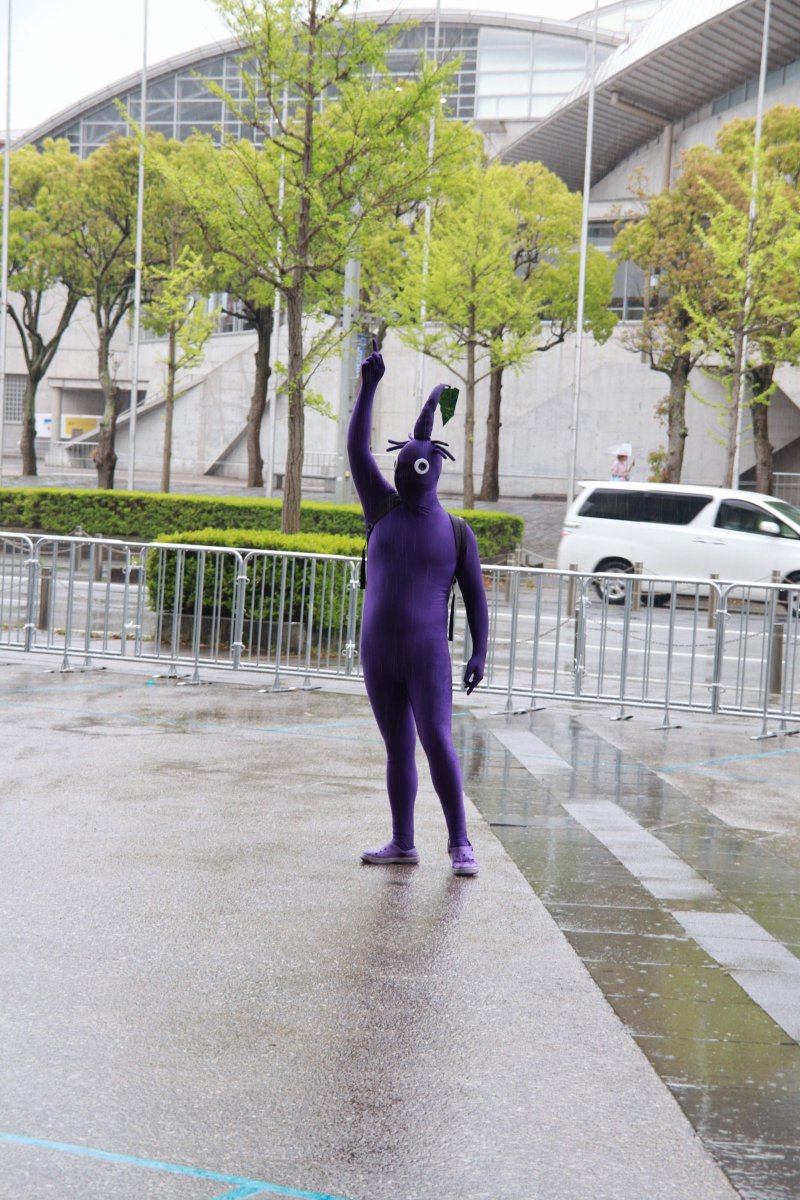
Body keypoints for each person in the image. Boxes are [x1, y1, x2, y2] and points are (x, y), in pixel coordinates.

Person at [347, 338, 488, 877]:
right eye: (403, 466)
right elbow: (358, 449)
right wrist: (369, 388)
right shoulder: (381, 505)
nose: (407, 475)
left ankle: (460, 843)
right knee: (398, 747)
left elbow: (475, 595)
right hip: (379, 653)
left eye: (416, 467)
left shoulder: (456, 530)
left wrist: (479, 651)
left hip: (426, 653)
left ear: (433, 470)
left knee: (436, 738)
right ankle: (403, 841)